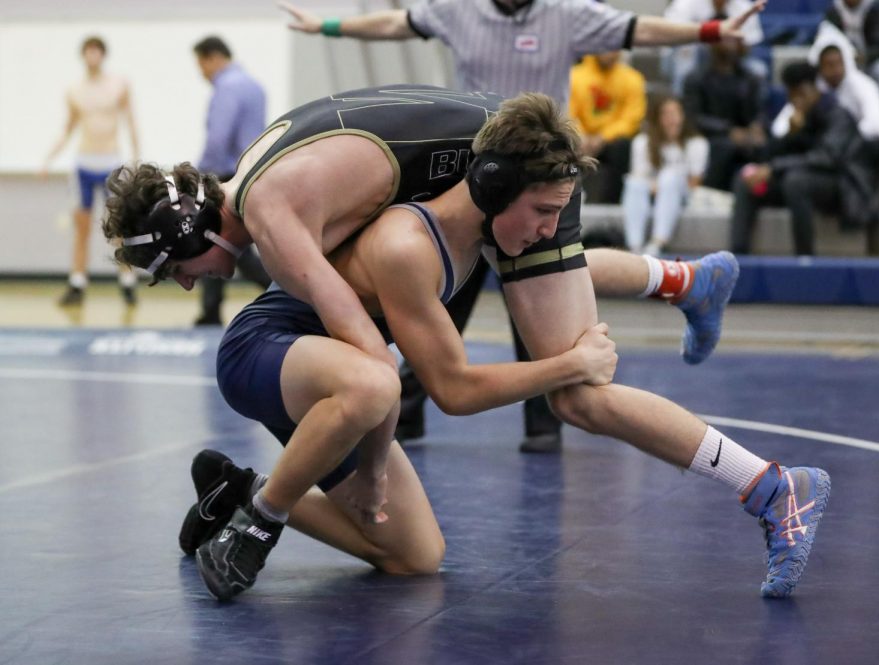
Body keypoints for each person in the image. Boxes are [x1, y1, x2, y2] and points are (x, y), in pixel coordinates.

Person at [103, 87, 829, 602]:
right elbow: (389, 372)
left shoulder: (280, 211)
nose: (188, 286)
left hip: (496, 161)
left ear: (188, 234)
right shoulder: (380, 228)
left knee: (418, 555)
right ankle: (260, 523)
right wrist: (378, 469)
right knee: (557, 381)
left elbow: (387, 349)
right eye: (547, 212)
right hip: (305, 349)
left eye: (176, 271)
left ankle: (248, 496)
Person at [280, 0, 768, 454]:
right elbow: (394, 23)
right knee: (449, 294)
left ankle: (533, 420)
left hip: (543, 177)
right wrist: (326, 26)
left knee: (542, 324)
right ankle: (683, 281)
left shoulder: (566, 13)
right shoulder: (458, 10)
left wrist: (711, 31)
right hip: (474, 175)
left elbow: (639, 29)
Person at [731, 61, 879, 255]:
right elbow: (770, 157)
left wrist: (774, 168)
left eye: (798, 94)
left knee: (796, 182)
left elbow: (827, 158)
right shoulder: (798, 117)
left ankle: (804, 260)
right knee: (746, 180)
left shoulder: (838, 114)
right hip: (799, 180)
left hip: (842, 185)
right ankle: (737, 258)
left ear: (809, 90)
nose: (795, 100)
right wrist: (791, 134)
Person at [42, 35, 140, 307]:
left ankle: (127, 282)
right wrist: (49, 158)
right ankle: (77, 282)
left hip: (110, 163)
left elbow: (131, 122)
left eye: (96, 51)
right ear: (83, 55)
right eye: (88, 52)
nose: (92, 56)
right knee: (82, 227)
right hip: (85, 163)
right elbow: (68, 127)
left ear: (102, 55)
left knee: (118, 227)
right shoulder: (75, 90)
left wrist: (135, 159)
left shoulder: (118, 85)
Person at [192, 36, 272, 326]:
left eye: (201, 64)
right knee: (220, 241)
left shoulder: (226, 88)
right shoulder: (254, 86)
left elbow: (218, 138)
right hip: (253, 172)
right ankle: (211, 310)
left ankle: (281, 291)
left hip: (225, 176)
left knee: (219, 242)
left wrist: (200, 175)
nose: (201, 71)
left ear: (213, 57)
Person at [771, 23, 879, 163]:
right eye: (829, 65)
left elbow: (875, 125)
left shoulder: (864, 86)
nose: (836, 70)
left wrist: (841, 138)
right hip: (832, 150)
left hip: (865, 148)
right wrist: (791, 129)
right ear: (820, 67)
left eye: (839, 63)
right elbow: (780, 127)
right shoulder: (816, 89)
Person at [622, 95, 709, 256]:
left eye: (676, 113)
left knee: (670, 177)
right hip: (650, 191)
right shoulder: (642, 142)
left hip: (682, 194)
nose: (672, 119)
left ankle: (657, 242)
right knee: (633, 183)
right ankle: (634, 245)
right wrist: (656, 186)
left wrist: (664, 183)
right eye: (666, 114)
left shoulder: (697, 143)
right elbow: (638, 175)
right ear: (657, 118)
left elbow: (694, 182)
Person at [682, 32, 768, 192]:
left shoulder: (750, 78)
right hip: (710, 135)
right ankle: (713, 194)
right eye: (726, 39)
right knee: (725, 147)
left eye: (734, 40)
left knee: (763, 146)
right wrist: (728, 130)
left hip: (744, 134)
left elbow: (759, 111)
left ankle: (758, 195)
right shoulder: (695, 77)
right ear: (712, 44)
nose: (731, 45)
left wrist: (757, 125)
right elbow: (692, 117)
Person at [569, 51, 646, 204]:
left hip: (610, 141)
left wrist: (604, 137)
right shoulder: (575, 76)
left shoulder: (632, 78)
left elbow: (632, 118)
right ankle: (567, 198)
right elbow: (568, 111)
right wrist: (581, 135)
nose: (610, 54)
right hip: (581, 138)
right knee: (563, 141)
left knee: (623, 147)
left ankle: (612, 203)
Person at [823, 0, 879, 104]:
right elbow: (827, 39)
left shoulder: (873, 8)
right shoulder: (835, 9)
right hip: (844, 63)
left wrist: (864, 56)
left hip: (869, 62)